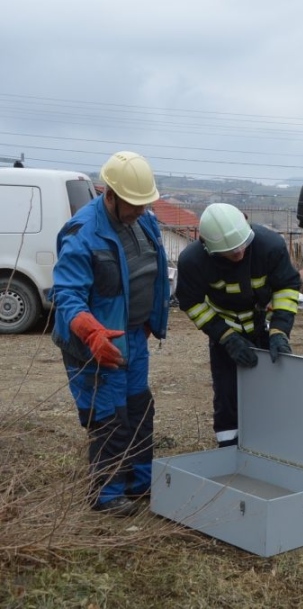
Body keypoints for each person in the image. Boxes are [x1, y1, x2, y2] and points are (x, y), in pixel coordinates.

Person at [52, 151, 169, 517]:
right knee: (110, 416)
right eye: (133, 203)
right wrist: (91, 334)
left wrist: (150, 318)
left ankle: (140, 482)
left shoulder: (144, 221)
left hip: (133, 336)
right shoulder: (82, 233)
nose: (140, 210)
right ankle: (106, 495)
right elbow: (66, 294)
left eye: (144, 203)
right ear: (110, 195)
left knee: (139, 409)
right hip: (97, 341)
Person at [176, 203, 303, 448]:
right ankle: (228, 447)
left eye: (243, 245)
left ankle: (270, 443)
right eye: (231, 251)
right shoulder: (193, 261)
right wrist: (225, 337)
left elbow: (287, 287)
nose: (239, 253)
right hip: (224, 329)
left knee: (271, 387)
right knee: (227, 393)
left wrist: (279, 330)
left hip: (262, 326)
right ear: (208, 247)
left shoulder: (270, 247)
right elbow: (191, 303)